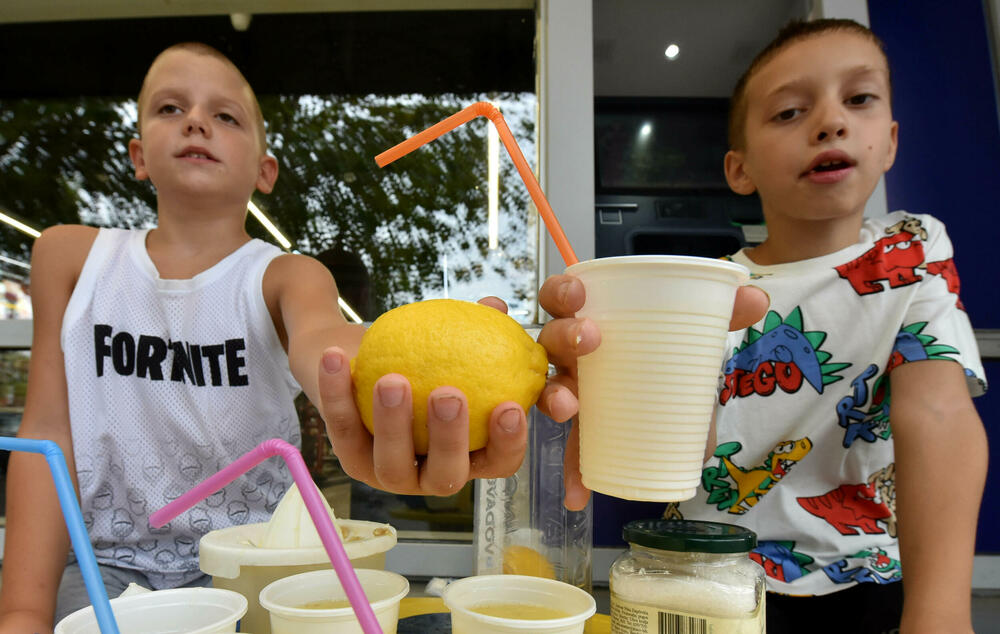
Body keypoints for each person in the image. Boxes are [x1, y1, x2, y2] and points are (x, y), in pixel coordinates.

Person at [0, 42, 532, 631]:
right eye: (170, 108)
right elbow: (46, 439)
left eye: (225, 116)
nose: (197, 120)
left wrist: (439, 362)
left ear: (264, 170)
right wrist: (22, 611)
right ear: (138, 156)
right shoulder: (70, 258)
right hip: (104, 569)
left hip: (253, 565)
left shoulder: (287, 275)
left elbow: (333, 348)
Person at [537, 19, 988, 634]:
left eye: (858, 99)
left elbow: (938, 416)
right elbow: (683, 454)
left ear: (890, 140)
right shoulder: (709, 293)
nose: (830, 121)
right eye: (789, 112)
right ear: (739, 169)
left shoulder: (910, 251)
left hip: (867, 579)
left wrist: (939, 614)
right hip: (700, 577)